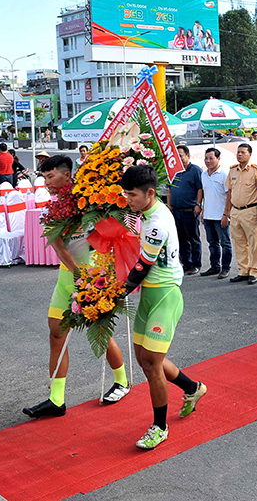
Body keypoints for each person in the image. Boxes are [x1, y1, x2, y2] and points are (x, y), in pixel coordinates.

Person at [23, 155, 130, 419]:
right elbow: (58, 246)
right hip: (69, 276)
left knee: (101, 332)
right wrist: (75, 273)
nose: (46, 182)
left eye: (50, 177)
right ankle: (56, 400)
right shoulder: (56, 207)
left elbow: (113, 231)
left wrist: (94, 273)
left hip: (94, 275)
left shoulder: (90, 200)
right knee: (56, 332)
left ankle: (123, 381)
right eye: (44, 177)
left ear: (67, 175)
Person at [120, 164, 207, 450]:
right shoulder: (144, 211)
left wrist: (117, 292)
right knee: (145, 361)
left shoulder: (157, 219)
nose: (128, 200)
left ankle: (159, 426)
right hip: (148, 295)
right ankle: (193, 388)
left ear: (150, 193)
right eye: (126, 194)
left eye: (132, 195)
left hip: (165, 295)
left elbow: (143, 265)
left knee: (153, 363)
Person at [224, 143, 257, 285]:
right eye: (238, 152)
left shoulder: (256, 171)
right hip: (235, 211)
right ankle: (243, 270)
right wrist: (227, 211)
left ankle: (254, 271)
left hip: (250, 210)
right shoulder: (232, 170)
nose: (239, 154)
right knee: (238, 242)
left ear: (249, 154)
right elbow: (229, 192)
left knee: (253, 242)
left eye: (243, 152)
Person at [166, 145, 203, 276]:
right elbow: (169, 189)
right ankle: (186, 264)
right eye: (176, 156)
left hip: (190, 210)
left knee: (193, 238)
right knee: (180, 238)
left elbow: (200, 188)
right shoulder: (173, 171)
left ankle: (196, 264)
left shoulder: (195, 170)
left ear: (188, 155)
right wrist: (169, 205)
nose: (178, 158)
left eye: (180, 155)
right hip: (176, 210)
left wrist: (198, 204)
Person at [200, 148, 231, 280]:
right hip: (208, 215)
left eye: (211, 158)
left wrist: (226, 214)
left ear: (218, 158)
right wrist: (203, 211)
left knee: (225, 243)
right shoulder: (204, 174)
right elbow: (205, 195)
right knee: (212, 243)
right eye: (206, 158)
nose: (208, 161)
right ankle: (215, 266)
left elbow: (229, 195)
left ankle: (225, 268)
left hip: (220, 216)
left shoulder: (224, 174)